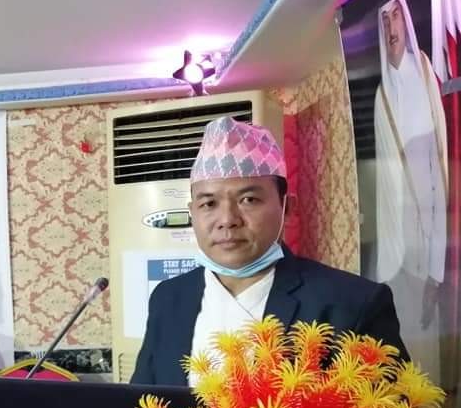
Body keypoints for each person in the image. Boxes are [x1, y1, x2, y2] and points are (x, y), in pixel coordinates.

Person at [131, 115, 408, 387]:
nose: (227, 219)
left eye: (248, 199)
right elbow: (139, 406)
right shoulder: (168, 299)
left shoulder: (352, 304)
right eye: (209, 204)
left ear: (288, 208)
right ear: (192, 213)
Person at [373, 0, 450, 388]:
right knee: (394, 357)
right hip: (392, 258)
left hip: (424, 252)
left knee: (425, 358)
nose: (391, 28)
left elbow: (437, 183)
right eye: (384, 20)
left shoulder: (422, 79)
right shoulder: (382, 95)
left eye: (396, 16)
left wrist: (435, 272)